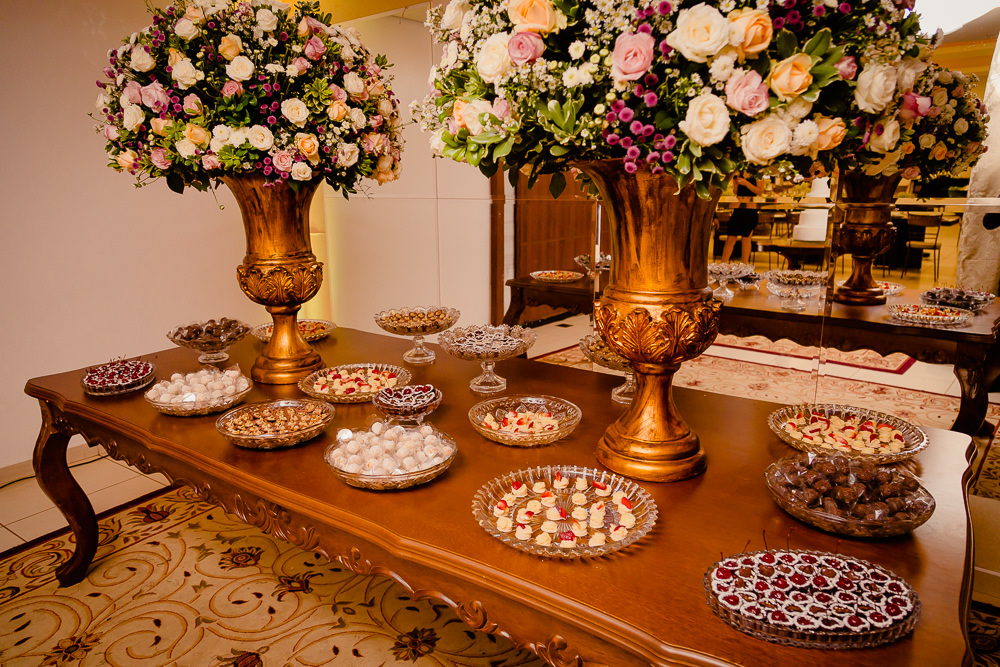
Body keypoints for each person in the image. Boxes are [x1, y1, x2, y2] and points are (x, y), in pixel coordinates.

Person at [721, 173, 764, 264]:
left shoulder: (757, 174)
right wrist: (736, 185)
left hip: (751, 209)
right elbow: (735, 192)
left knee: (746, 238)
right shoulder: (738, 173)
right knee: (731, 237)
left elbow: (760, 191)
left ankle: (745, 264)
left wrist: (746, 183)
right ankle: (723, 263)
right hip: (738, 208)